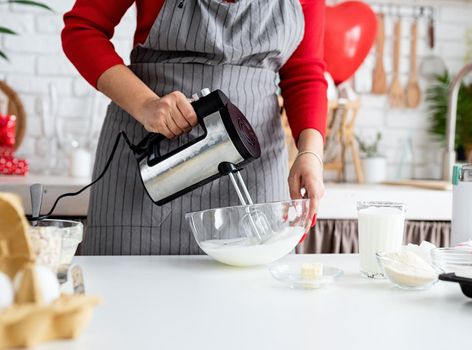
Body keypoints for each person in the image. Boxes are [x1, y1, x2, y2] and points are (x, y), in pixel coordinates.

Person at [62, 0, 328, 255]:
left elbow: (303, 73)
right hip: (149, 164)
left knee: (251, 295)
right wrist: (145, 104)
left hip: (253, 171)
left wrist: (310, 154)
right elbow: (83, 29)